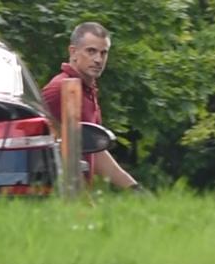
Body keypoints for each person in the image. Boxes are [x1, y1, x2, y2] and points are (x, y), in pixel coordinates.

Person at [41, 22, 142, 191]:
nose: (98, 59)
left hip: (79, 196)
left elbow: (94, 149)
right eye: (91, 51)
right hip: (58, 196)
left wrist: (133, 188)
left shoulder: (87, 89)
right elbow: (36, 140)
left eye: (104, 53)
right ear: (73, 52)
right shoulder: (59, 89)